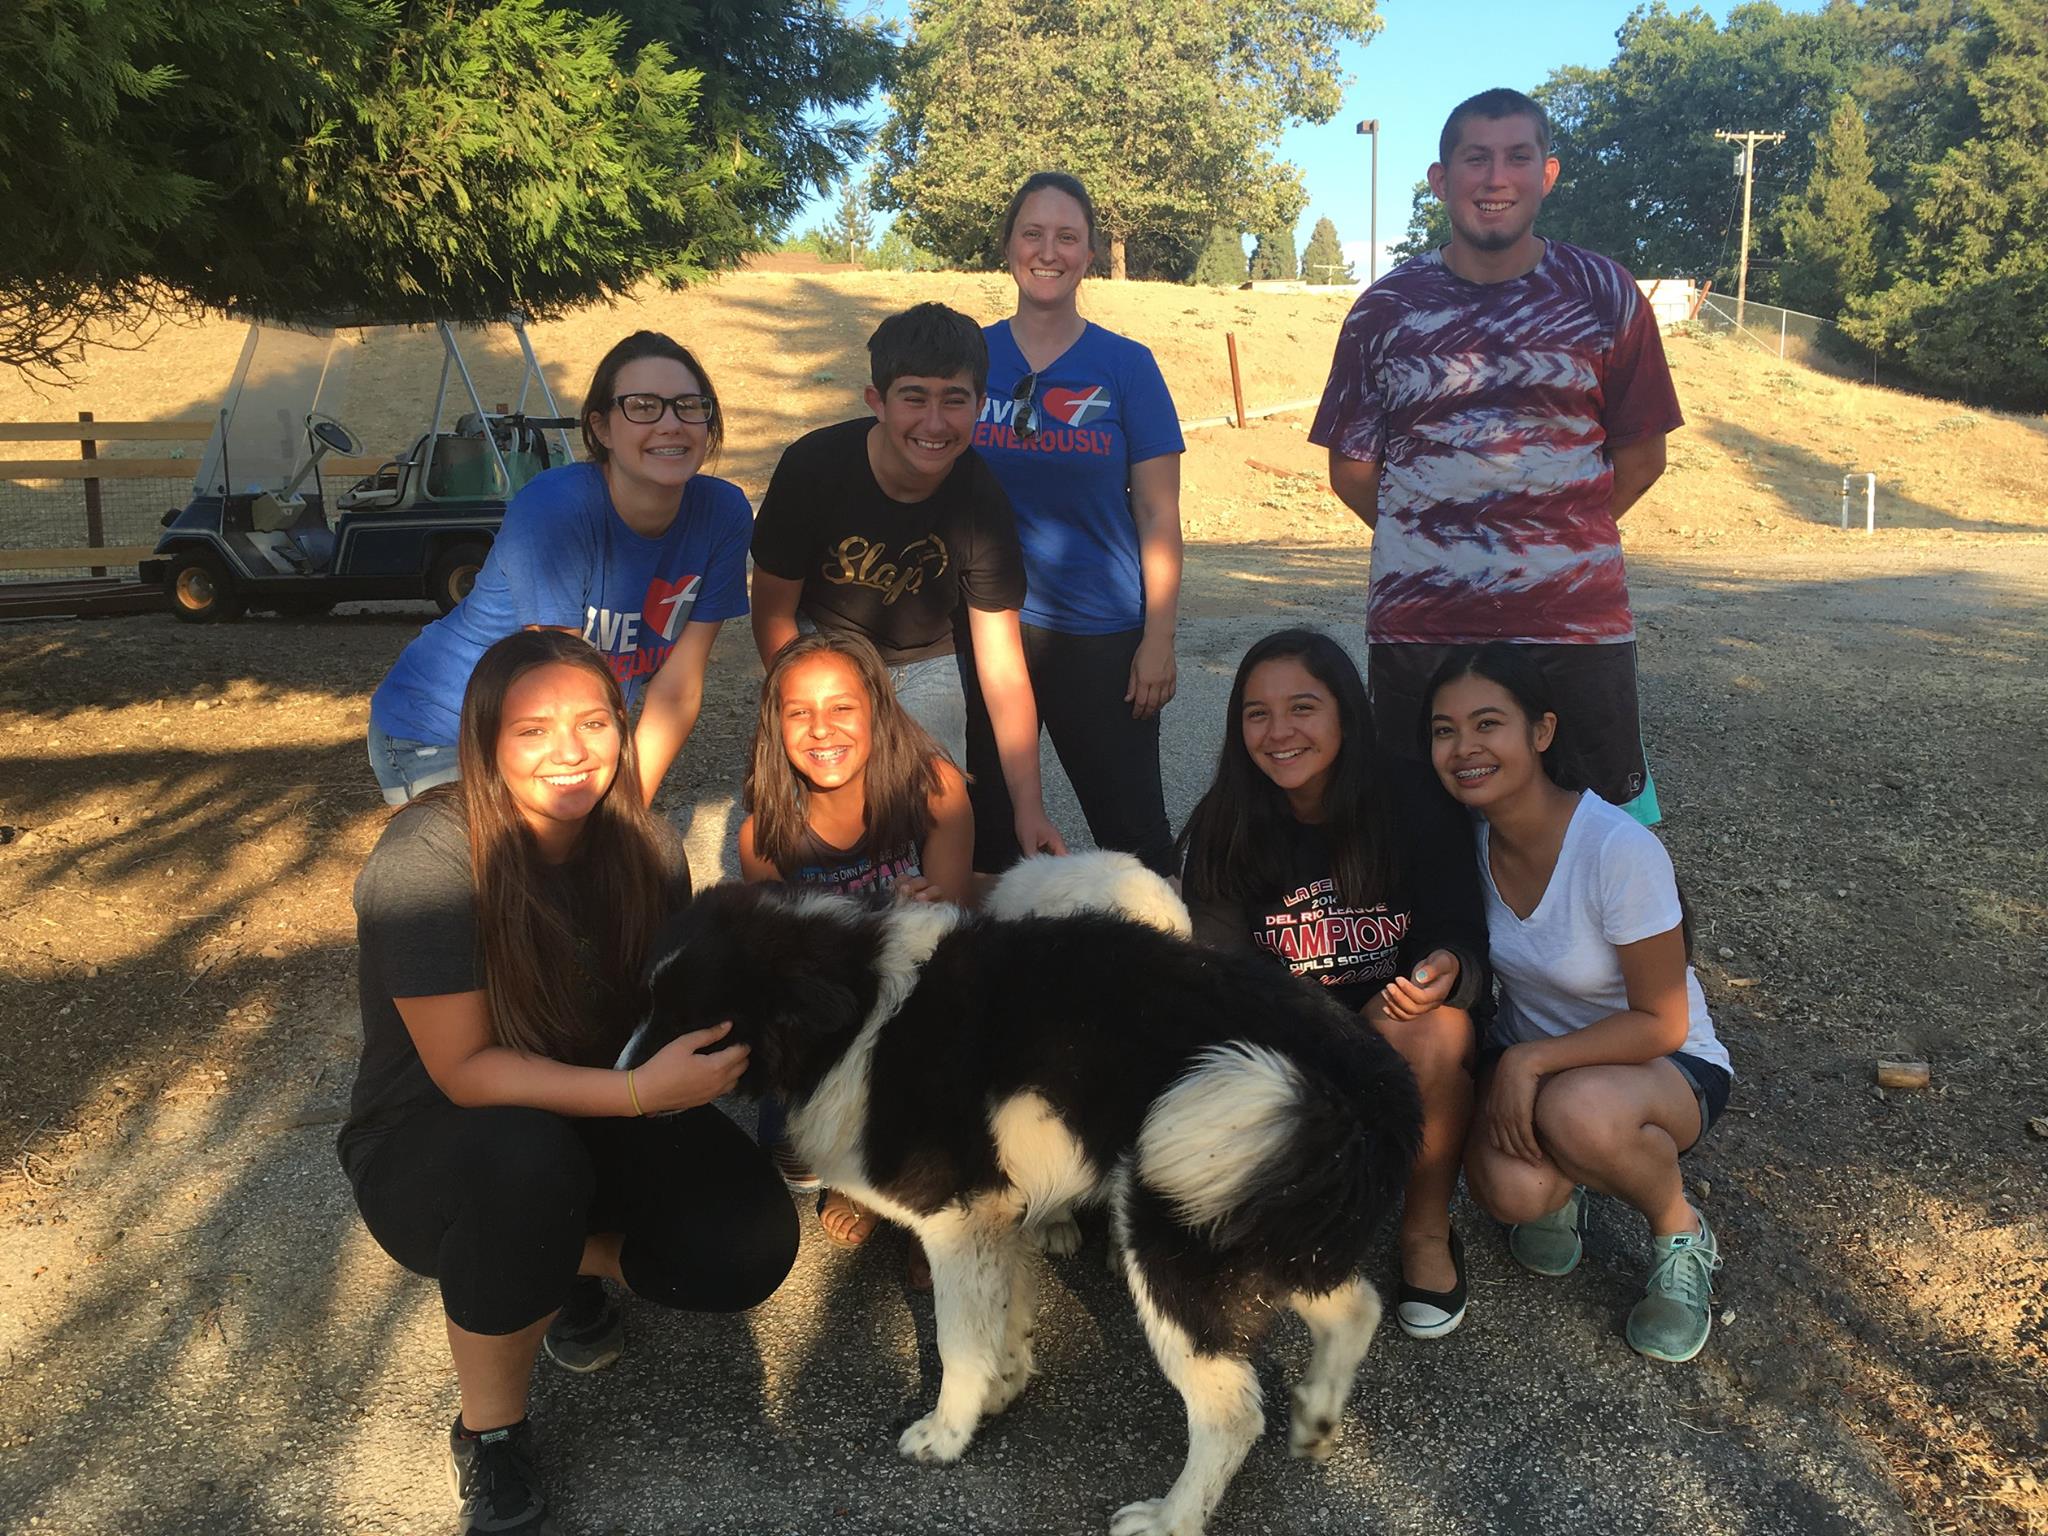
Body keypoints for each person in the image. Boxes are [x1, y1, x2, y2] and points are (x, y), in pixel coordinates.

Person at [342, 629, 797, 1535]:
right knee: (524, 1163)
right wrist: (639, 1096)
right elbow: (467, 1074)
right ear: (484, 744)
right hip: (441, 1136)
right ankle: (493, 1435)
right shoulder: (426, 861)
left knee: (746, 1244)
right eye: (533, 730)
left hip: (594, 1101)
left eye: (594, 722)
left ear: (624, 734)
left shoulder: (645, 847)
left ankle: (555, 1258)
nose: (570, 751)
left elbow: (663, 1007)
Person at [1311, 88, 1683, 827]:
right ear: (1439, 179)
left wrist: (1550, 536)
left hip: (1575, 630)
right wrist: (1439, 537)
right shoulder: (1382, 311)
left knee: (1599, 845)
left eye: (1517, 157)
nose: (1495, 177)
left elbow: (1642, 458)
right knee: (1424, 844)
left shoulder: (1605, 293)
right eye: (1474, 158)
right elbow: (1353, 470)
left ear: (1547, 175)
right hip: (1422, 632)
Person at [1177, 629, 1490, 1340]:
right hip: (1291, 1038)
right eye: (1256, 713)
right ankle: (1301, 1200)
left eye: (1303, 708)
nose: (1279, 732)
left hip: (1400, 1029)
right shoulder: (1226, 821)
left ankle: (1424, 1228)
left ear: (1346, 712)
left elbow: (1463, 934)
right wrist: (1323, 1031)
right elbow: (1217, 979)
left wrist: (1444, 972)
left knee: (1439, 1031)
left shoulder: (1413, 798)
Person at [1428, 643, 1732, 1364]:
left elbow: (1664, 1020)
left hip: (1664, 1064)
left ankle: (1679, 1230)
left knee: (1580, 1114)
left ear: (1541, 731)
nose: (1464, 747)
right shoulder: (1468, 843)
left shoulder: (1614, 849)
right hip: (1543, 1066)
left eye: (1487, 724)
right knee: (1510, 1193)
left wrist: (1530, 1062)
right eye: (1444, 730)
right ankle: (1568, 1182)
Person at [368, 331, 751, 808]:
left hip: (555, 729)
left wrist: (627, 812)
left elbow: (678, 687)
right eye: (643, 406)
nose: (671, 423)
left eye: (689, 405)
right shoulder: (558, 506)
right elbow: (562, 684)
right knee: (506, 877)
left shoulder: (723, 512)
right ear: (602, 429)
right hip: (442, 727)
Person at [749, 302, 1062, 858]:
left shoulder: (981, 503)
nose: (935, 423)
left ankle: (927, 912)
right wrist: (806, 702)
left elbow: (1003, 668)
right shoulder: (812, 467)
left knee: (932, 803)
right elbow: (773, 610)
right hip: (822, 640)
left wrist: (1029, 806)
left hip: (924, 660)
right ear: (878, 402)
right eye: (914, 397)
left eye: (954, 400)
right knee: (807, 808)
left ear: (980, 406)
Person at [963, 170, 1185, 876]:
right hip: (987, 624)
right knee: (988, 835)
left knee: (1135, 841)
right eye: (1032, 233)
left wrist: (1158, 639)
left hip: (1104, 635)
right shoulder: (969, 358)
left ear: (1090, 254)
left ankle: (1162, 972)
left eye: (1067, 236)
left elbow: (1158, 509)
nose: (1048, 250)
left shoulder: (1127, 366)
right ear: (1008, 247)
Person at [738, 631, 970, 1278]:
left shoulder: (934, 785)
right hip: (833, 1006)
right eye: (798, 712)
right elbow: (788, 967)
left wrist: (917, 909)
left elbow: (948, 920)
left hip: (921, 990)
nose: (821, 729)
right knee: (791, 1149)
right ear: (774, 726)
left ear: (876, 708)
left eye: (841, 707)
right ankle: (856, 1175)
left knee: (931, 1037)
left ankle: (930, 1204)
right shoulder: (764, 837)